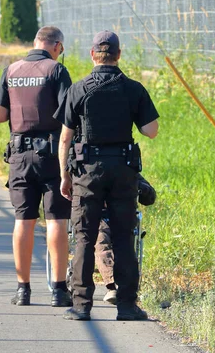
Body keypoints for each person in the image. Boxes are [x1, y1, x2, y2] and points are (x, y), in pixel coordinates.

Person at [55, 30, 159, 321]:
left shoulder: (79, 88)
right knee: (124, 237)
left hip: (86, 171)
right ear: (119, 55)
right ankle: (126, 306)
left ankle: (81, 306)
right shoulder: (133, 88)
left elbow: (64, 139)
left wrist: (64, 175)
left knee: (85, 236)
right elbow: (151, 131)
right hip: (123, 171)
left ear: (92, 55)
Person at [0, 26, 73, 307]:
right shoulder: (56, 71)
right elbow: (69, 117)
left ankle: (23, 290)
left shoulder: (11, 70)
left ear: (35, 42)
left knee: (23, 220)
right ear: (57, 47)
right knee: (56, 220)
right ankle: (59, 291)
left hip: (19, 156)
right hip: (51, 156)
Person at [96, 174, 157, 305]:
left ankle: (124, 287)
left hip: (123, 216)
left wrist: (138, 187)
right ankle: (113, 286)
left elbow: (150, 197)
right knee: (101, 241)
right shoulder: (92, 170)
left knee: (124, 243)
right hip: (98, 218)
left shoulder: (127, 170)